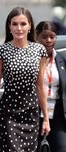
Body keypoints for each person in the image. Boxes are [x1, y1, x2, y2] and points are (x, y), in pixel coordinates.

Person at [0, 7, 50, 152]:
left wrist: (45, 118)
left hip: (31, 112)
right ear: (9, 27)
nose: (19, 28)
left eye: (23, 24)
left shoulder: (39, 50)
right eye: (14, 24)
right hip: (8, 113)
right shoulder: (1, 51)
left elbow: (40, 86)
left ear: (30, 26)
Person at [36, 21, 66, 152]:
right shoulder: (31, 59)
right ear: (37, 37)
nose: (48, 40)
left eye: (52, 37)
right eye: (44, 37)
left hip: (57, 113)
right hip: (35, 113)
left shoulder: (61, 59)